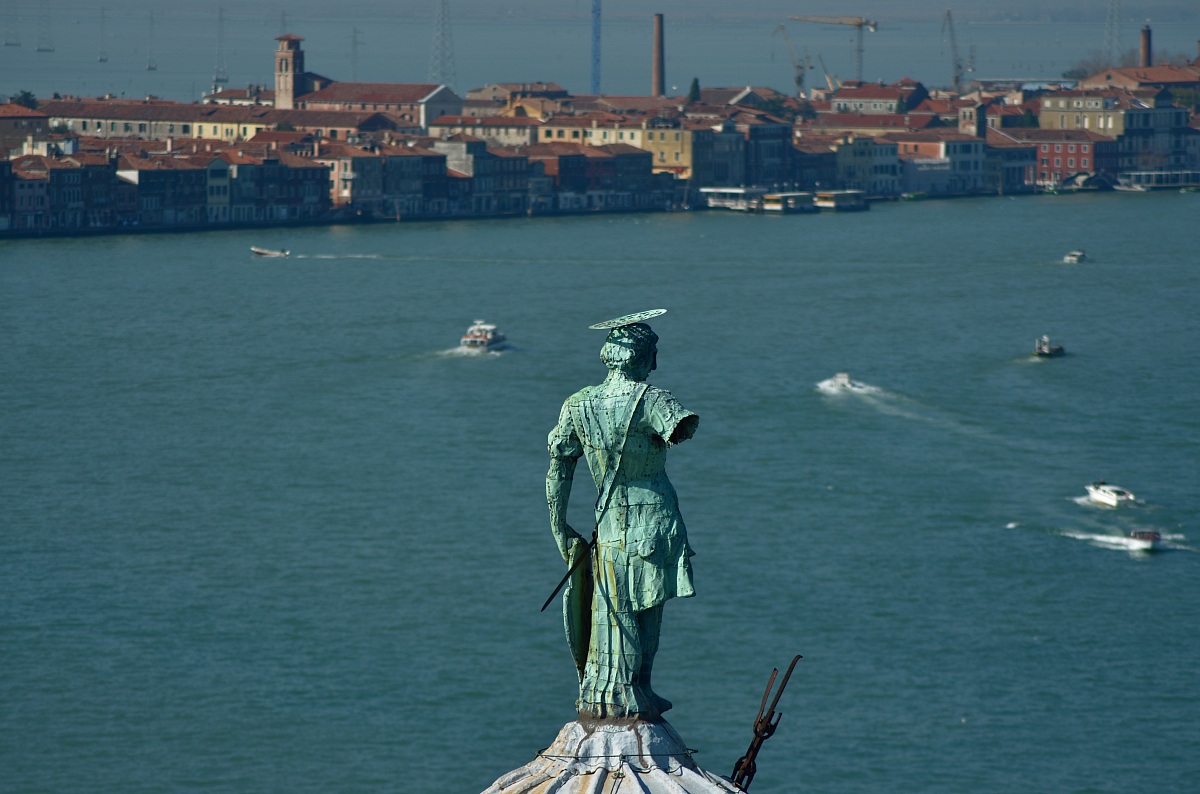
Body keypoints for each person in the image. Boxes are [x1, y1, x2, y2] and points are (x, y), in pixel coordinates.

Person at [546, 313, 699, 720]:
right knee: (647, 605)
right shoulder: (654, 401)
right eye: (653, 355)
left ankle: (615, 687)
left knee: (613, 604)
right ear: (641, 357)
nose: (656, 365)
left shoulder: (577, 404)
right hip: (654, 515)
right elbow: (680, 428)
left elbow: (559, 467)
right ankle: (636, 689)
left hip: (610, 520)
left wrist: (558, 524)